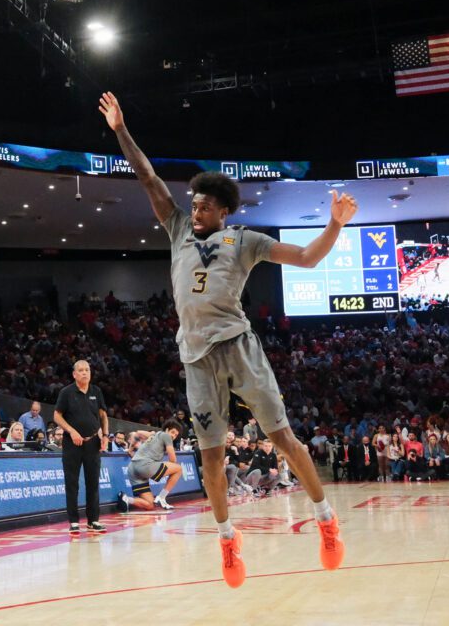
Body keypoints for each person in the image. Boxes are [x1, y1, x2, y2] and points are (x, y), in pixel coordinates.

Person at [100, 90, 354, 586]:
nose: (195, 210)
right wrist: (120, 131)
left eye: (205, 206)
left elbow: (306, 260)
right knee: (211, 455)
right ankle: (227, 539)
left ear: (224, 212)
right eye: (194, 203)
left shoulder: (246, 240)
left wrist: (335, 226)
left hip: (238, 346)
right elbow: (148, 176)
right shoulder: (175, 227)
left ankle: (326, 521)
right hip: (195, 358)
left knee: (282, 438)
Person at [53, 360, 109, 533]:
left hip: (93, 443)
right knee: (72, 483)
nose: (85, 373)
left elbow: (103, 415)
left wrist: (106, 435)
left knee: (93, 483)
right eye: (81, 370)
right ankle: (74, 521)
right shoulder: (67, 392)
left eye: (87, 370)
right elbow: (57, 416)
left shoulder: (96, 391)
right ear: (74, 374)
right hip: (72, 444)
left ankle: (93, 520)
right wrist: (71, 431)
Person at [128, 420, 183, 510]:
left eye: (176, 435)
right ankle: (161, 497)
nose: (173, 436)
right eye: (172, 432)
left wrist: (130, 449)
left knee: (150, 505)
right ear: (167, 430)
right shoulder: (166, 436)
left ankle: (126, 499)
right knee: (179, 469)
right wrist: (170, 470)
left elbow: (137, 433)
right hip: (145, 466)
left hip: (132, 469)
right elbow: (173, 460)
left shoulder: (153, 435)